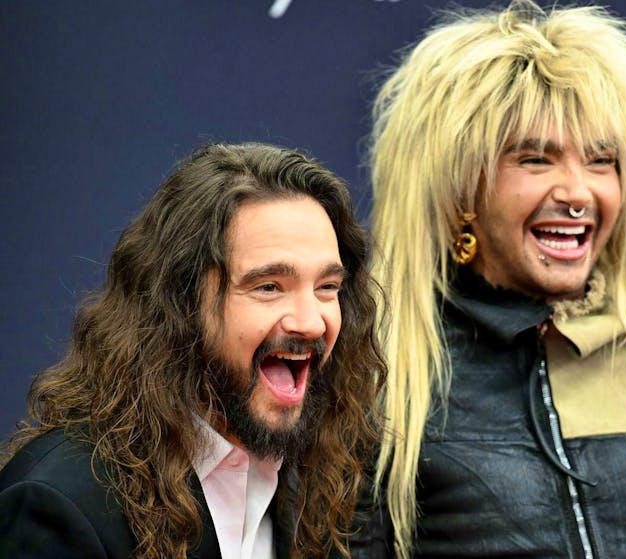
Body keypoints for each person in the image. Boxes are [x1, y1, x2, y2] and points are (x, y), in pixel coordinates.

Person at [350, 1, 626, 557]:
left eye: (602, 161)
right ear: (457, 187)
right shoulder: (380, 366)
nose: (578, 192)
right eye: (536, 159)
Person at [0, 143, 386, 559]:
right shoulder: (59, 507)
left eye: (327, 288)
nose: (311, 321)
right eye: (268, 287)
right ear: (181, 303)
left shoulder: (304, 487)